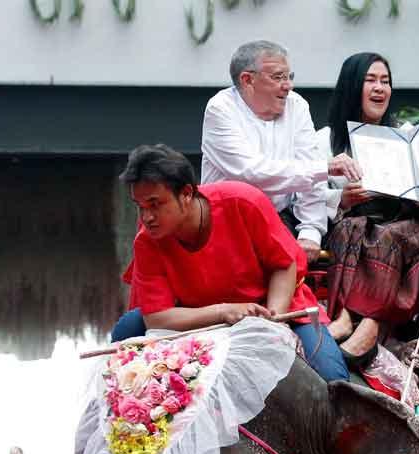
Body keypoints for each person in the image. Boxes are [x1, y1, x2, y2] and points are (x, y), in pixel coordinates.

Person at [117, 144, 349, 382]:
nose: (147, 217)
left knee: (333, 378)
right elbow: (157, 317)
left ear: (186, 193)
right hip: (200, 316)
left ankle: (336, 335)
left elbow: (284, 264)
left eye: (155, 204)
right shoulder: (147, 239)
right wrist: (224, 311)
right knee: (126, 335)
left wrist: (271, 322)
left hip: (268, 307)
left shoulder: (242, 201)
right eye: (140, 207)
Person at [317, 52, 419, 365]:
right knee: (351, 229)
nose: (380, 88)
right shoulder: (325, 140)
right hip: (353, 223)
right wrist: (343, 199)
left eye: (386, 81)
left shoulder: (406, 134)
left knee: (387, 236)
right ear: (352, 86)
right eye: (371, 80)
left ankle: (365, 322)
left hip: (404, 227)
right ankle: (354, 319)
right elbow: (308, 199)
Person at [201, 40, 362, 263]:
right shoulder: (220, 109)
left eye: (289, 77)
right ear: (247, 80)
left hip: (278, 219)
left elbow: (311, 180)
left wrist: (310, 232)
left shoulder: (297, 105)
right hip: (224, 223)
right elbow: (252, 173)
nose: (288, 86)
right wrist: (323, 168)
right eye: (278, 77)